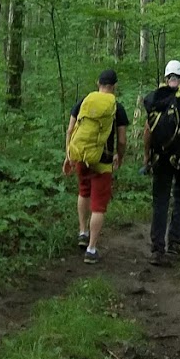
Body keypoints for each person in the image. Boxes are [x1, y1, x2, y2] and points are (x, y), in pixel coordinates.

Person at [63, 68, 128, 265]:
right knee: (98, 205)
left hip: (81, 157)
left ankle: (82, 232)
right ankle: (91, 249)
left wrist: (69, 156)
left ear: (97, 83)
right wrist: (120, 156)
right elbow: (123, 140)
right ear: (114, 86)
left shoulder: (83, 102)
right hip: (103, 161)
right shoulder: (117, 107)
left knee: (83, 193)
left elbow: (71, 130)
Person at [143, 60, 180, 266]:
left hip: (160, 158)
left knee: (160, 201)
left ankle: (157, 248)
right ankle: (174, 245)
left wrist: (146, 156)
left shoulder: (156, 98)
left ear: (166, 78)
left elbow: (147, 132)